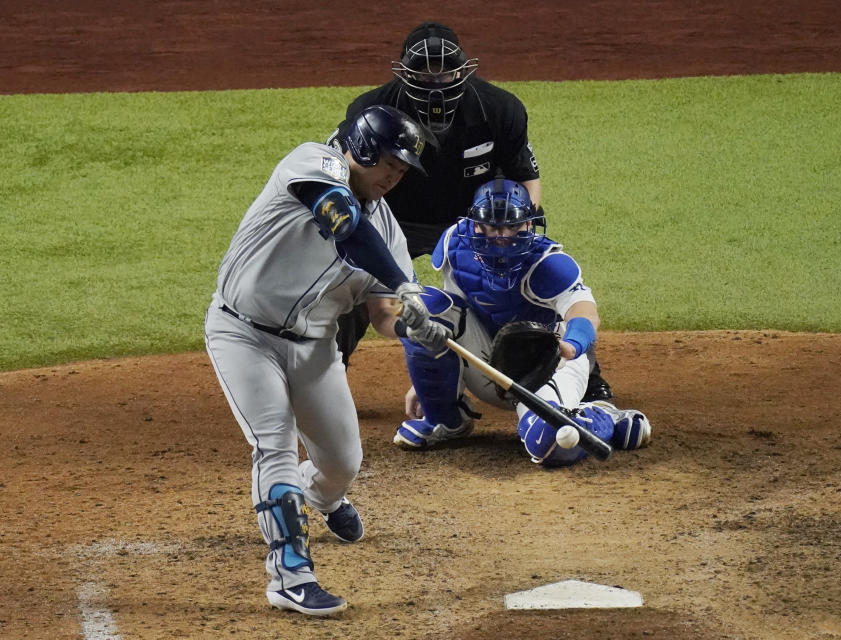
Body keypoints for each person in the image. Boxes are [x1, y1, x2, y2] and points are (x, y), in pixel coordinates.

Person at [203, 105, 449, 616]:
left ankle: (322, 495)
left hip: (314, 348)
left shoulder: (388, 231)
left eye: (402, 171)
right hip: (243, 334)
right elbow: (344, 225)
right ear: (359, 148)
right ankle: (290, 576)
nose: (393, 177)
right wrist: (406, 284)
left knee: (342, 462)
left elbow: (384, 313)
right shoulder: (312, 165)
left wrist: (413, 325)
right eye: (388, 163)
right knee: (273, 445)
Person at [327, 20, 614, 401]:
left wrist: (512, 233)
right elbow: (346, 172)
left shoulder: (499, 109)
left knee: (528, 284)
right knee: (352, 284)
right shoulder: (372, 110)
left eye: (444, 70)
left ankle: (581, 373)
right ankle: (329, 374)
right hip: (391, 217)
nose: (435, 82)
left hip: (473, 222)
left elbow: (526, 179)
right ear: (405, 73)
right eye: (425, 72)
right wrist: (361, 231)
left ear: (463, 70)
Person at [394, 178, 652, 466]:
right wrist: (431, 377)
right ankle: (445, 421)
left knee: (547, 442)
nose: (501, 237)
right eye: (492, 227)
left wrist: (570, 346)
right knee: (422, 309)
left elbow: (585, 312)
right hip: (487, 363)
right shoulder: (455, 243)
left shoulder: (548, 264)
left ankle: (600, 417)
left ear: (529, 225)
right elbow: (454, 309)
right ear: (475, 224)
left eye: (512, 227)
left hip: (545, 366)